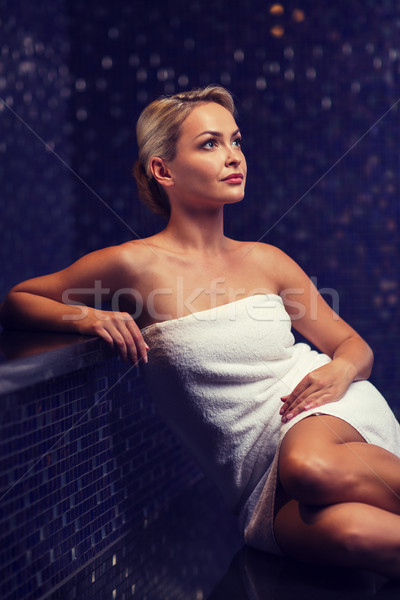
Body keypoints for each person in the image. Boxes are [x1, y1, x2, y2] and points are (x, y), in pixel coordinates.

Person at [1, 85, 400, 578]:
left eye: (236, 141)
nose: (234, 157)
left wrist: (340, 371)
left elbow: (352, 345)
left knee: (309, 467)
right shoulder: (133, 265)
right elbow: (18, 299)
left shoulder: (267, 260)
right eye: (211, 144)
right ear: (163, 170)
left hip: (323, 417)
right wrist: (89, 317)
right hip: (255, 483)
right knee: (358, 535)